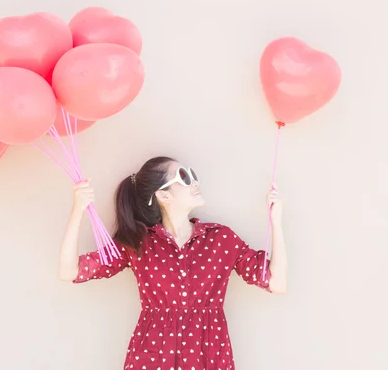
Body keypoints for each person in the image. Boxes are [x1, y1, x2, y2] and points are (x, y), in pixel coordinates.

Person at [58, 156, 288, 370]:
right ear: (163, 195)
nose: (194, 181)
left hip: (208, 353)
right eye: (184, 177)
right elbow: (70, 271)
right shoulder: (138, 243)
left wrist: (276, 220)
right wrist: (77, 210)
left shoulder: (221, 239)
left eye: (192, 174)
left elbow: (276, 283)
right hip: (153, 355)